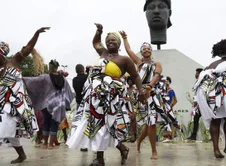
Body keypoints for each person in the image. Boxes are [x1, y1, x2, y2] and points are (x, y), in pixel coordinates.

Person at [67, 23, 146, 166]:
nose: (110, 42)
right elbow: (96, 42)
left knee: (107, 126)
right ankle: (119, 150)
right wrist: (99, 31)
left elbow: (135, 77)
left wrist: (141, 92)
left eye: (113, 40)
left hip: (112, 98)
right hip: (95, 96)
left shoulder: (124, 60)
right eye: (108, 40)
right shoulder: (102, 53)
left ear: (119, 44)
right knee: (98, 125)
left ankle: (101, 158)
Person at [0, 27, 49, 166]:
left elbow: (27, 49)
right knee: (10, 132)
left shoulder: (14, 62)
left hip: (15, 104)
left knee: (0, 127)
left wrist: (36, 34)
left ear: (3, 54)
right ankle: (22, 155)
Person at [120, 31, 176, 160]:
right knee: (150, 122)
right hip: (142, 95)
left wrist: (150, 86)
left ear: (151, 51)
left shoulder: (157, 64)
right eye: (143, 49)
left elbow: (156, 75)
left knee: (151, 123)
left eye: (148, 49)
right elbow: (128, 50)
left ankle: (143, 144)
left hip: (154, 94)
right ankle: (150, 149)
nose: (146, 50)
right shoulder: (139, 63)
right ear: (141, 52)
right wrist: (125, 38)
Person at [24, 59, 74, 149]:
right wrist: (65, 104)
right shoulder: (63, 79)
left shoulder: (45, 77)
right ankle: (51, 145)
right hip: (58, 105)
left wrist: (22, 79)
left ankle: (45, 143)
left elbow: (33, 81)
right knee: (54, 124)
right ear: (57, 68)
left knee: (46, 123)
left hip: (46, 104)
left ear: (50, 68)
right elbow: (68, 92)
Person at [187, 68, 203, 141]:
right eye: (196, 73)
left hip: (203, 104)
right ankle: (194, 136)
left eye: (197, 73)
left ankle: (215, 136)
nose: (196, 74)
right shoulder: (197, 82)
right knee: (195, 119)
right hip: (197, 104)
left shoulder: (203, 82)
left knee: (210, 120)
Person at [126, 76, 138, 142]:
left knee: (133, 120)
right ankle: (129, 134)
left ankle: (134, 134)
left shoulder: (135, 90)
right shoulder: (126, 89)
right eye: (128, 81)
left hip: (133, 106)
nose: (129, 82)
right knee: (128, 120)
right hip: (127, 106)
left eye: (131, 81)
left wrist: (136, 107)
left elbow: (137, 99)